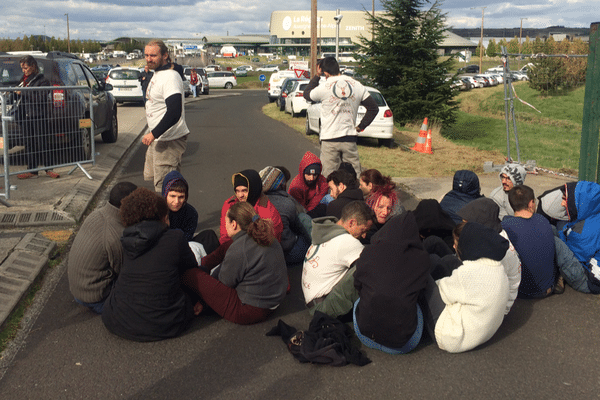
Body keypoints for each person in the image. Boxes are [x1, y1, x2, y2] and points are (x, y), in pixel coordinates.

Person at [101, 188, 197, 342]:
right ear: (163, 216)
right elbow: (191, 270)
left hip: (120, 320)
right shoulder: (175, 238)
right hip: (166, 324)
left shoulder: (126, 239)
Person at [182, 202, 288, 324]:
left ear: (234, 224)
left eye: (226, 221)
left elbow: (224, 282)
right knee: (227, 247)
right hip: (273, 302)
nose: (224, 225)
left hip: (250, 310)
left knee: (192, 274)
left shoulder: (240, 248)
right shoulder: (266, 237)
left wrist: (204, 297)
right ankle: (204, 265)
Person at [423, 222, 509, 353]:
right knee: (441, 260)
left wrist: (438, 279)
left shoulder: (469, 273)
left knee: (422, 274)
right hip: (480, 332)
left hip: (452, 336)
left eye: (456, 245)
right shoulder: (499, 269)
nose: (453, 246)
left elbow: (443, 293)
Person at [353, 212, 430, 354]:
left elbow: (357, 284)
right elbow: (421, 292)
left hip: (365, 335)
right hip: (404, 344)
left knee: (361, 300)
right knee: (413, 302)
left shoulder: (369, 251)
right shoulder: (422, 258)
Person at [68, 182, 137, 314]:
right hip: (97, 297)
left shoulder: (97, 214)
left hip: (78, 290)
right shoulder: (116, 235)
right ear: (128, 206)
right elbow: (124, 273)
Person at [303, 57, 379, 177]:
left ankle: (331, 196)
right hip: (349, 137)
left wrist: (317, 76)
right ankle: (354, 195)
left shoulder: (325, 86)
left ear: (325, 73)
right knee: (354, 176)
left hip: (329, 138)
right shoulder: (356, 85)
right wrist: (360, 127)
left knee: (329, 177)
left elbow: (307, 94)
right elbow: (374, 108)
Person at [302, 201, 374, 318]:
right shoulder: (346, 241)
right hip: (324, 308)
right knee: (368, 265)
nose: (364, 236)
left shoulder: (327, 232)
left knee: (366, 257)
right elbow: (372, 265)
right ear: (352, 223)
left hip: (314, 301)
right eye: (363, 230)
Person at [457, 198, 521, 314]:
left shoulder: (497, 253)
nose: (462, 226)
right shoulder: (495, 238)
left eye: (466, 224)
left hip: (493, 311)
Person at [142, 39, 189, 192]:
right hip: (160, 137)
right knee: (156, 181)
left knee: (167, 189)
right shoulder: (158, 73)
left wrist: (153, 134)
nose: (149, 59)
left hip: (168, 139)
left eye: (153, 55)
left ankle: (167, 216)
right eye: (147, 55)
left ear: (164, 56)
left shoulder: (170, 77)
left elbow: (174, 112)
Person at [501, 185, 561, 298]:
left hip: (520, 292)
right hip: (548, 288)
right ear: (530, 203)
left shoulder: (505, 227)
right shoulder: (542, 220)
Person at [15, 55, 59, 180]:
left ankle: (48, 169)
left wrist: (23, 92)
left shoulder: (42, 81)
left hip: (38, 116)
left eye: (26, 67)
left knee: (42, 143)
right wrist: (13, 93)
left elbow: (39, 98)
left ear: (33, 66)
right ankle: (32, 170)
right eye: (22, 68)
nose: (24, 70)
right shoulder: (22, 81)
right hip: (26, 116)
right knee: (29, 144)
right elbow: (18, 97)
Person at [260, 166, 311, 264]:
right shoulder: (287, 202)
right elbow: (295, 223)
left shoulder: (254, 202)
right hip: (287, 253)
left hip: (264, 254)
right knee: (303, 221)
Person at [557, 181, 600, 294]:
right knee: (558, 227)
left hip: (589, 281)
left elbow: (573, 256)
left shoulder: (584, 231)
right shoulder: (593, 215)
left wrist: (559, 237)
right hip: (590, 263)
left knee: (554, 242)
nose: (562, 203)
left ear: (578, 202)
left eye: (565, 199)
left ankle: (553, 278)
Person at [219, 169, 283, 244]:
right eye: (237, 191)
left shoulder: (268, 212)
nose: (240, 195)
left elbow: (269, 242)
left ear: (253, 189)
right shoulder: (230, 205)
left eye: (244, 191)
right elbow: (224, 236)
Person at [288, 151, 330, 218]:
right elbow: (299, 207)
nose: (312, 178)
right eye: (308, 174)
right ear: (303, 172)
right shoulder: (295, 186)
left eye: (315, 175)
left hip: (314, 210)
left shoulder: (323, 182)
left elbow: (316, 201)